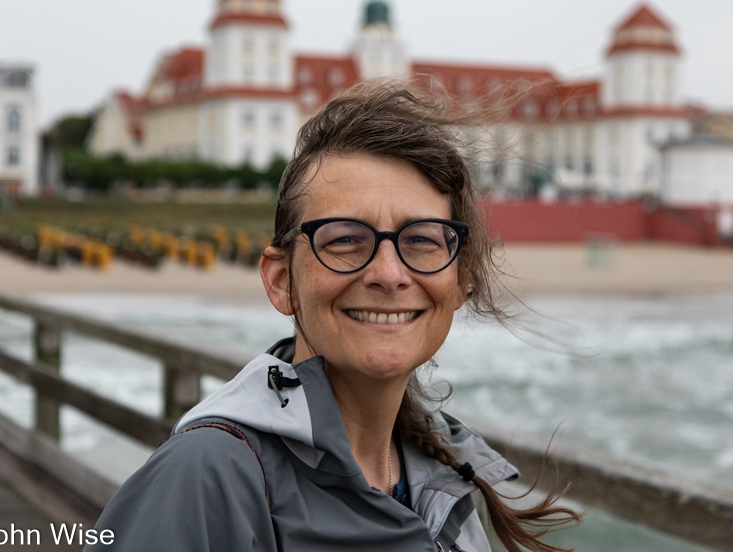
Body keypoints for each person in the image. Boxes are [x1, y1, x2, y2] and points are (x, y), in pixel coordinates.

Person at [85, 83, 580, 552]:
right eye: (345, 239)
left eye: (423, 240)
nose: (389, 274)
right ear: (282, 281)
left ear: (459, 282)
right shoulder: (206, 476)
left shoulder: (442, 475)